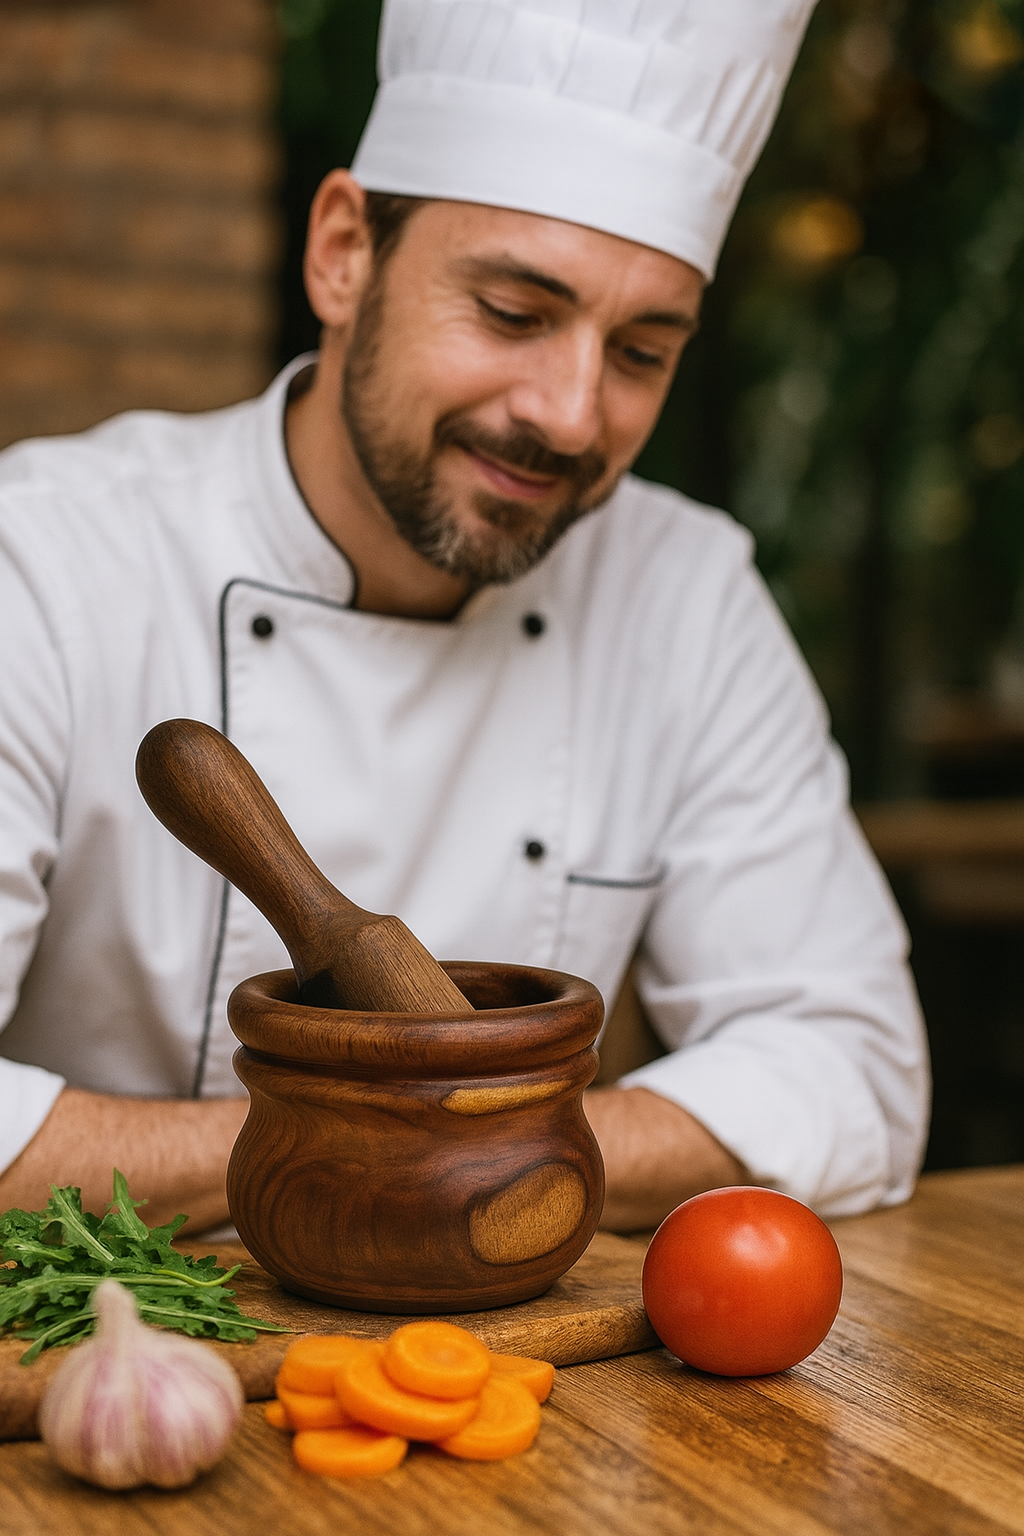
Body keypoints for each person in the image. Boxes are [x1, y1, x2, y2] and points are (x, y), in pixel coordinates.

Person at [0, 0, 929, 1235]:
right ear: (342, 251)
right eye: (512, 313)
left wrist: (444, 1145)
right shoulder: (47, 562)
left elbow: (851, 1065)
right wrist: (411, 1144)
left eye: (644, 350)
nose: (572, 414)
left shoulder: (684, 594)